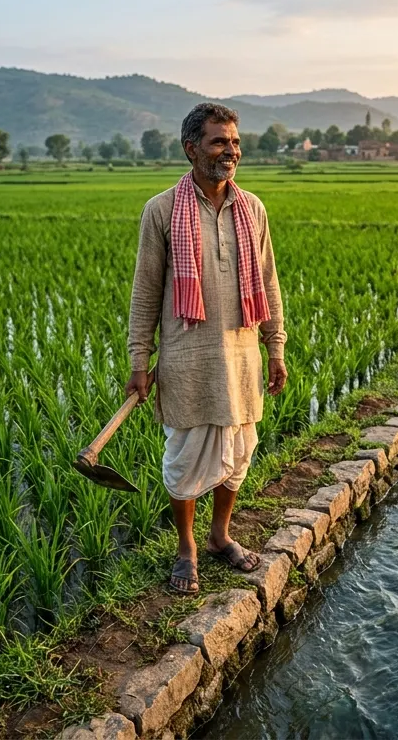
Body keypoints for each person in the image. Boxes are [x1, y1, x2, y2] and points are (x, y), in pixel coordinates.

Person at [127, 103, 287, 594]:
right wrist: (139, 359)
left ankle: (219, 536)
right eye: (220, 142)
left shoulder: (252, 208)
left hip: (242, 355)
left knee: (238, 452)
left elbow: (268, 280)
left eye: (235, 142)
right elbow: (146, 291)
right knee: (183, 459)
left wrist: (275, 346)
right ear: (191, 148)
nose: (231, 151)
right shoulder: (161, 210)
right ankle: (186, 548)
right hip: (187, 359)